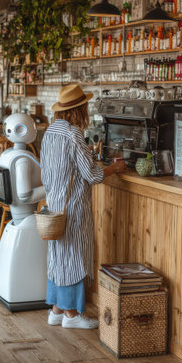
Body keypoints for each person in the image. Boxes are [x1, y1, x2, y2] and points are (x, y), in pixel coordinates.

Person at [40, 84, 126, 330]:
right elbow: (92, 174)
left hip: (54, 205)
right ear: (79, 109)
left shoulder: (50, 132)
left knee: (59, 256)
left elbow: (46, 170)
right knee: (74, 257)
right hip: (74, 207)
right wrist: (114, 168)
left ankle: (56, 310)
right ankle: (71, 314)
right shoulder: (72, 133)